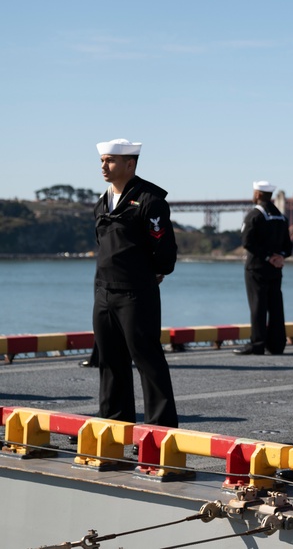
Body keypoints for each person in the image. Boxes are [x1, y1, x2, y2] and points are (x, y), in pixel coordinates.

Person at [93, 138, 179, 428]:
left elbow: (164, 248)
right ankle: (115, 425)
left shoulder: (149, 200)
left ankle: (160, 429)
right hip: (104, 292)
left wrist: (156, 271)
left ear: (130, 164)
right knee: (110, 363)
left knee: (147, 361)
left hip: (135, 293)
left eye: (110, 161)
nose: (104, 166)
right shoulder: (102, 201)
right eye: (103, 160)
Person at [236, 180, 293, 355]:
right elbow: (288, 246)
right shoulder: (281, 217)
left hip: (256, 268)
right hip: (276, 268)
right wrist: (279, 257)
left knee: (257, 305)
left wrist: (268, 257)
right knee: (276, 305)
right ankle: (277, 345)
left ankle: (257, 343)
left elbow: (247, 242)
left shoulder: (255, 215)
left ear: (258, 194)